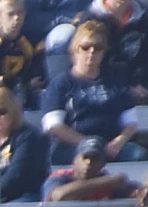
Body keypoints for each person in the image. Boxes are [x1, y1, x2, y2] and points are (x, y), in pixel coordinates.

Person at [42, 20, 140, 161]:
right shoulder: (61, 83)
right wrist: (87, 143)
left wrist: (119, 141)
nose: (92, 51)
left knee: (138, 155)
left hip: (110, 146)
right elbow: (53, 126)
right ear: (75, 49)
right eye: (86, 47)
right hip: (74, 146)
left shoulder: (115, 80)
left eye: (98, 47)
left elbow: (131, 122)